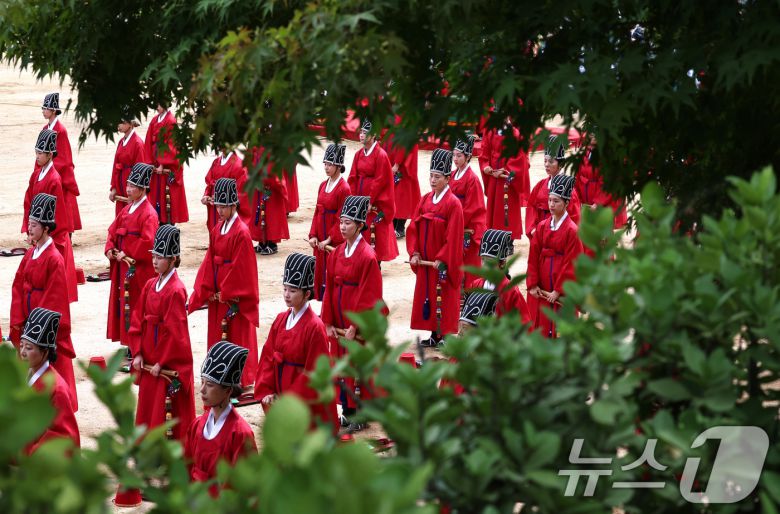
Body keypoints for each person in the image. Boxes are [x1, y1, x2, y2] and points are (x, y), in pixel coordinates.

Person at [255, 253, 338, 433]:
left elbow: (314, 374)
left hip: (302, 402)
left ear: (307, 293)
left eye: (293, 291)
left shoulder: (315, 327)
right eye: (285, 289)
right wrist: (267, 390)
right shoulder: (280, 320)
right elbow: (268, 357)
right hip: (279, 392)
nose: (286, 295)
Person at [321, 195, 384, 431]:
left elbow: (370, 293)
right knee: (341, 365)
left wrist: (355, 325)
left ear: (359, 225)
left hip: (353, 322)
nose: (343, 227)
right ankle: (347, 411)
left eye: (348, 223)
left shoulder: (368, 256)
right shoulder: (336, 253)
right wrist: (328, 321)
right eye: (341, 222)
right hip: (339, 318)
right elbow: (329, 288)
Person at [189, 178, 259, 388]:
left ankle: (240, 378)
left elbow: (242, 268)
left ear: (234, 205)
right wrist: (206, 289)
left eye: (223, 206)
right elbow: (209, 261)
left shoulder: (242, 232)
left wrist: (227, 292)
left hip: (232, 294)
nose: (219, 210)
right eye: (217, 205)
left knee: (236, 335)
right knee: (218, 334)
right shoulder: (217, 229)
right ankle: (218, 375)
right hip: (217, 292)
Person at [129, 225, 196, 443]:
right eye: (154, 256)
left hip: (165, 362)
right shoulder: (150, 284)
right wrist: (137, 352)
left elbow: (176, 332)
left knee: (164, 410)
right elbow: (137, 318)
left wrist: (162, 361)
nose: (154, 261)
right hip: (148, 357)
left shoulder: (176, 290)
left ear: (173, 259)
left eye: (160, 257)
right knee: (148, 407)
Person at [11, 194, 78, 410]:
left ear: (46, 228)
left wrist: (38, 324)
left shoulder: (54, 258)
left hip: (42, 322)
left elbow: (55, 297)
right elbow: (18, 285)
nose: (29, 229)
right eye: (29, 224)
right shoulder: (30, 253)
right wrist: (19, 317)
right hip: (27, 315)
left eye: (34, 225)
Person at [407, 149, 465, 347]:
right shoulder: (425, 199)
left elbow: (454, 237)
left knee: (445, 297)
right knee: (429, 296)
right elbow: (413, 227)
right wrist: (414, 252)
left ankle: (446, 336)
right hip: (426, 262)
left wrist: (443, 258)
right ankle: (434, 334)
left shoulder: (453, 204)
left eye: (437, 176)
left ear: (447, 178)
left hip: (441, 263)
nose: (432, 180)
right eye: (431, 175)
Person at [184, 341, 257, 495]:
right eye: (202, 382)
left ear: (228, 391)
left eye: (210, 385)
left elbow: (246, 487)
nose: (202, 390)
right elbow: (186, 471)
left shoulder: (241, 434)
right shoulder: (197, 425)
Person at [105, 163, 159, 349]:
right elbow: (112, 230)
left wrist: (127, 252)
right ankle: (129, 344)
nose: (127, 189)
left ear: (143, 189)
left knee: (137, 306)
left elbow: (148, 242)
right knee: (125, 305)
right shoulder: (127, 209)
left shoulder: (149, 214)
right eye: (128, 185)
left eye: (132, 186)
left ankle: (138, 345)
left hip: (138, 270)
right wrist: (110, 247)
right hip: (123, 266)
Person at [23, 129, 78, 303]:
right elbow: (28, 201)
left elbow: (57, 213)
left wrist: (45, 235)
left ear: (50, 154)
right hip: (39, 231)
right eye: (36, 152)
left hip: (50, 233)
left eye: (40, 153)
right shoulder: (36, 175)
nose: (37, 156)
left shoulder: (54, 179)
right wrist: (30, 229)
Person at [526, 174, 584, 338]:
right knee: (541, 326)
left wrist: (558, 291)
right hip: (542, 286)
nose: (551, 204)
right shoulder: (542, 226)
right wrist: (533, 284)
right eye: (550, 200)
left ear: (566, 203)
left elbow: (572, 263)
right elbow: (533, 256)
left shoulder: (572, 231)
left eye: (556, 201)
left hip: (559, 288)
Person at [20, 307, 80, 454]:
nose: (22, 352)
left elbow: (62, 437)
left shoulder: (57, 389)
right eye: (21, 346)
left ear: (45, 352)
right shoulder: (25, 376)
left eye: (29, 348)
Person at [347, 120, 399, 263]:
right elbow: (352, 177)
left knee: (374, 231)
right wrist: (353, 199)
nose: (361, 135)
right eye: (361, 132)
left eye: (365, 132)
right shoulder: (358, 154)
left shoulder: (381, 155)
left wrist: (369, 201)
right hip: (360, 196)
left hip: (375, 200)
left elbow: (380, 180)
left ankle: (376, 262)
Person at [308, 143, 351, 300]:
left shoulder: (344, 188)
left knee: (332, 275)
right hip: (320, 236)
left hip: (332, 240)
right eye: (325, 164)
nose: (326, 167)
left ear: (339, 166)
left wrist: (329, 239)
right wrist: (313, 234)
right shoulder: (322, 185)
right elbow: (317, 211)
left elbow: (342, 217)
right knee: (319, 274)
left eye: (330, 164)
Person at [478, 120, 531, 240]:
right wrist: (486, 167)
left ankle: (508, 240)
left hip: (507, 180)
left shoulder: (515, 134)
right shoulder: (490, 130)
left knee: (507, 211)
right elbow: (484, 152)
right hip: (493, 177)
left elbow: (520, 159)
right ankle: (493, 238)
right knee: (494, 211)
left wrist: (506, 171)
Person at [525, 136, 582, 239]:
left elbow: (574, 217)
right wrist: (533, 228)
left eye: (551, 162)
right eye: (545, 161)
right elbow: (531, 208)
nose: (546, 165)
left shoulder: (568, 189)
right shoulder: (540, 185)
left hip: (559, 235)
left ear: (560, 164)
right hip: (539, 233)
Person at [470, 229, 530, 323]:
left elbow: (523, 324)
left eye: (490, 262)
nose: (485, 266)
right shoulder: (475, 285)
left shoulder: (512, 292)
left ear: (502, 264)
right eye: (483, 260)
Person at [449, 136, 487, 288]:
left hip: (469, 226)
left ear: (468, 156)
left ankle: (472, 296)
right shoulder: (451, 175)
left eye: (459, 155)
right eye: (454, 155)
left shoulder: (472, 179)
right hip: (455, 221)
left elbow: (472, 208)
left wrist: (455, 223)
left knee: (470, 265)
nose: (455, 159)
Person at [41, 92, 81, 231]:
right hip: (48, 170)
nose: (43, 111)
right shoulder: (45, 129)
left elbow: (65, 158)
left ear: (53, 110)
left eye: (45, 108)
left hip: (59, 175)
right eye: (43, 108)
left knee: (62, 206)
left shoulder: (61, 130)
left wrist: (51, 171)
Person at [144, 103, 189, 225]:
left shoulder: (170, 120)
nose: (157, 106)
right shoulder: (154, 120)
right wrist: (149, 162)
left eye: (159, 104)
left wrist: (162, 164)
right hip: (155, 163)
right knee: (155, 195)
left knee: (166, 197)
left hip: (166, 165)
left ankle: (167, 224)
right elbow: (148, 141)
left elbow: (171, 144)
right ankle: (157, 221)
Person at [381, 122, 420, 239]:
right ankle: (393, 225)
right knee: (396, 195)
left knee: (402, 196)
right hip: (396, 153)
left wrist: (397, 163)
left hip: (403, 162)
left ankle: (400, 227)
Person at [249, 147, 289, 255]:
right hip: (259, 187)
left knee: (271, 214)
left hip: (270, 187)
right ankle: (262, 241)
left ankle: (272, 243)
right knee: (260, 213)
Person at [575, 146, 627, 229]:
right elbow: (578, 177)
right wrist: (577, 198)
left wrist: (598, 203)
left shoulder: (610, 156)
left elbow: (609, 184)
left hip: (605, 203)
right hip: (588, 203)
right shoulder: (586, 152)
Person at [110, 109, 148, 217]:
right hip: (120, 182)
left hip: (131, 184)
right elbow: (115, 165)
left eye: (122, 122)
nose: (119, 125)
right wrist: (114, 188)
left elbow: (141, 171)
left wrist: (135, 193)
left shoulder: (138, 143)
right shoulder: (121, 142)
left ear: (130, 124)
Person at [202, 148, 250, 232]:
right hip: (214, 207)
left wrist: (222, 198)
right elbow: (210, 183)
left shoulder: (239, 165)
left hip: (227, 207)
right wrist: (206, 195)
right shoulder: (216, 162)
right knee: (215, 232)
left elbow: (242, 192)